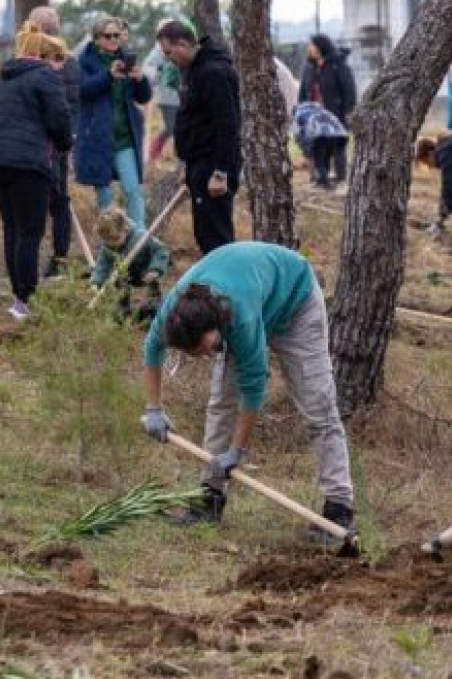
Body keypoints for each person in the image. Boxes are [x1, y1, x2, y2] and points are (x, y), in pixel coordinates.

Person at [139, 242, 355, 538]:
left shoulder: (241, 319)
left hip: (296, 302)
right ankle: (209, 499)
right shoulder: (173, 311)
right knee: (220, 404)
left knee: (318, 407)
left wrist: (237, 451)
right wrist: (153, 408)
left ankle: (338, 508)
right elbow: (152, 350)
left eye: (206, 349)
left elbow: (253, 387)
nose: (204, 356)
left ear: (216, 327)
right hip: (252, 289)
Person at [0, 22, 73, 321]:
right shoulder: (45, 76)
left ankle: (18, 297)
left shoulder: (3, 79)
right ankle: (26, 300)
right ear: (45, 56)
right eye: (58, 59)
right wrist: (65, 143)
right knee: (30, 231)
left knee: (13, 229)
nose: (60, 66)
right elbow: (59, 118)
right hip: (28, 162)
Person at [155, 19, 241, 255]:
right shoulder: (193, 70)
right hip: (198, 163)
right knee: (204, 233)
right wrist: (188, 166)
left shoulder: (214, 71)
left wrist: (220, 171)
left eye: (168, 52)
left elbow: (227, 124)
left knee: (217, 236)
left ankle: (226, 288)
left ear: (182, 44)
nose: (167, 58)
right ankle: (213, 288)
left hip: (214, 164)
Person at [75, 16, 153, 235]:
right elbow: (83, 91)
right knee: (106, 198)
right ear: (97, 38)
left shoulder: (126, 60)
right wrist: (108, 75)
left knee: (133, 191)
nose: (112, 40)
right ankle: (109, 243)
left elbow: (144, 98)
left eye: (116, 35)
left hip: (125, 138)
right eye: (107, 36)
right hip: (97, 138)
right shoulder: (85, 61)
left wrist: (140, 80)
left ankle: (139, 241)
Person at [28, 6, 83, 279]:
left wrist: (63, 139)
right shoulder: (59, 61)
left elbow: (67, 107)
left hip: (49, 145)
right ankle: (50, 257)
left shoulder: (62, 63)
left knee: (56, 202)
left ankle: (58, 259)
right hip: (47, 143)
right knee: (54, 202)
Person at [89, 207, 170, 324]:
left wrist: (155, 269)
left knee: (151, 285)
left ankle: (154, 307)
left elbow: (160, 250)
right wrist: (96, 282)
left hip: (146, 269)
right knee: (119, 279)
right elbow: (102, 265)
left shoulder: (141, 237)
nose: (112, 243)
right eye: (107, 241)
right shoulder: (107, 247)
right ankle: (123, 309)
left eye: (115, 239)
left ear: (125, 229)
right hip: (126, 272)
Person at [297, 34, 357, 184]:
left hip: (335, 114)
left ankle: (341, 179)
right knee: (317, 147)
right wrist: (301, 111)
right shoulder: (308, 68)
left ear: (320, 47)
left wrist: (348, 112)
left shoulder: (338, 65)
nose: (309, 48)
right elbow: (303, 92)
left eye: (312, 45)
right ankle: (320, 179)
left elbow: (349, 91)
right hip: (315, 116)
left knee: (337, 147)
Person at [292, 101, 349, 190]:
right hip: (340, 134)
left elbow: (298, 134)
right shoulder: (322, 110)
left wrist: (306, 151)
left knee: (318, 160)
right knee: (331, 156)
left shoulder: (299, 113)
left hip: (321, 135)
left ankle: (323, 183)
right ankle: (341, 181)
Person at [143, 43, 182, 168]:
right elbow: (148, 73)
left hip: (179, 96)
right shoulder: (157, 53)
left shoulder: (178, 48)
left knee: (177, 128)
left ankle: (180, 160)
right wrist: (159, 72)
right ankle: (153, 155)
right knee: (172, 128)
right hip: (166, 98)